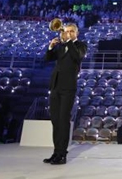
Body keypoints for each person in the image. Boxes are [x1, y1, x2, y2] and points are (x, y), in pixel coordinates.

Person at [43, 22, 86, 165]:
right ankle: (56, 152)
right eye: (66, 31)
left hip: (68, 88)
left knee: (63, 120)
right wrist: (51, 47)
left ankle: (62, 154)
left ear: (76, 33)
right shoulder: (61, 47)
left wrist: (68, 41)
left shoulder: (80, 46)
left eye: (71, 31)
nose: (68, 33)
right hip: (55, 86)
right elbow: (48, 59)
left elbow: (77, 57)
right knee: (55, 121)